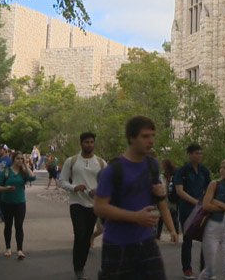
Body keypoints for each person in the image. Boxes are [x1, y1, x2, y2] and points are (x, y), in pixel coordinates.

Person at [93, 116, 178, 280]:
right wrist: (135, 217)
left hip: (146, 241)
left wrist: (172, 228)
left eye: (152, 135)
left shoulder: (152, 165)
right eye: (145, 136)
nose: (151, 140)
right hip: (117, 244)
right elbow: (99, 207)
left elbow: (159, 200)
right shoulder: (113, 170)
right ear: (131, 138)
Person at [60, 132, 107, 280]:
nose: (89, 145)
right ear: (81, 143)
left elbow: (108, 183)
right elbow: (62, 181)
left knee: (86, 237)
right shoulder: (72, 161)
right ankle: (78, 269)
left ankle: (82, 265)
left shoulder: (100, 163)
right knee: (79, 234)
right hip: (77, 203)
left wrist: (98, 191)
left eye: (92, 142)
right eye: (86, 142)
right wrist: (74, 187)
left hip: (92, 205)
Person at [174, 144, 211, 279]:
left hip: (201, 210)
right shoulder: (182, 171)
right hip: (186, 209)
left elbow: (209, 188)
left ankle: (204, 268)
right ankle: (187, 269)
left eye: (200, 153)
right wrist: (196, 202)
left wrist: (205, 201)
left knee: (205, 238)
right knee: (188, 239)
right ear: (189, 155)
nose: (199, 156)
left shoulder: (204, 170)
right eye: (196, 153)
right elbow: (179, 191)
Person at [0, 151, 36, 259]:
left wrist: (26, 165)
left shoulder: (23, 172)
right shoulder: (6, 171)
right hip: (7, 202)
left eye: (22, 159)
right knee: (8, 225)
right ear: (13, 159)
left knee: (19, 225)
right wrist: (6, 188)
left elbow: (33, 177)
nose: (20, 161)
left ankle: (20, 250)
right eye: (18, 158)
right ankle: (8, 248)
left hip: (20, 202)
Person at [157, 159, 179, 240]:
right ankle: (174, 233)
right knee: (171, 215)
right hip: (171, 196)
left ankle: (172, 233)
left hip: (168, 196)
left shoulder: (169, 175)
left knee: (166, 214)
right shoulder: (173, 174)